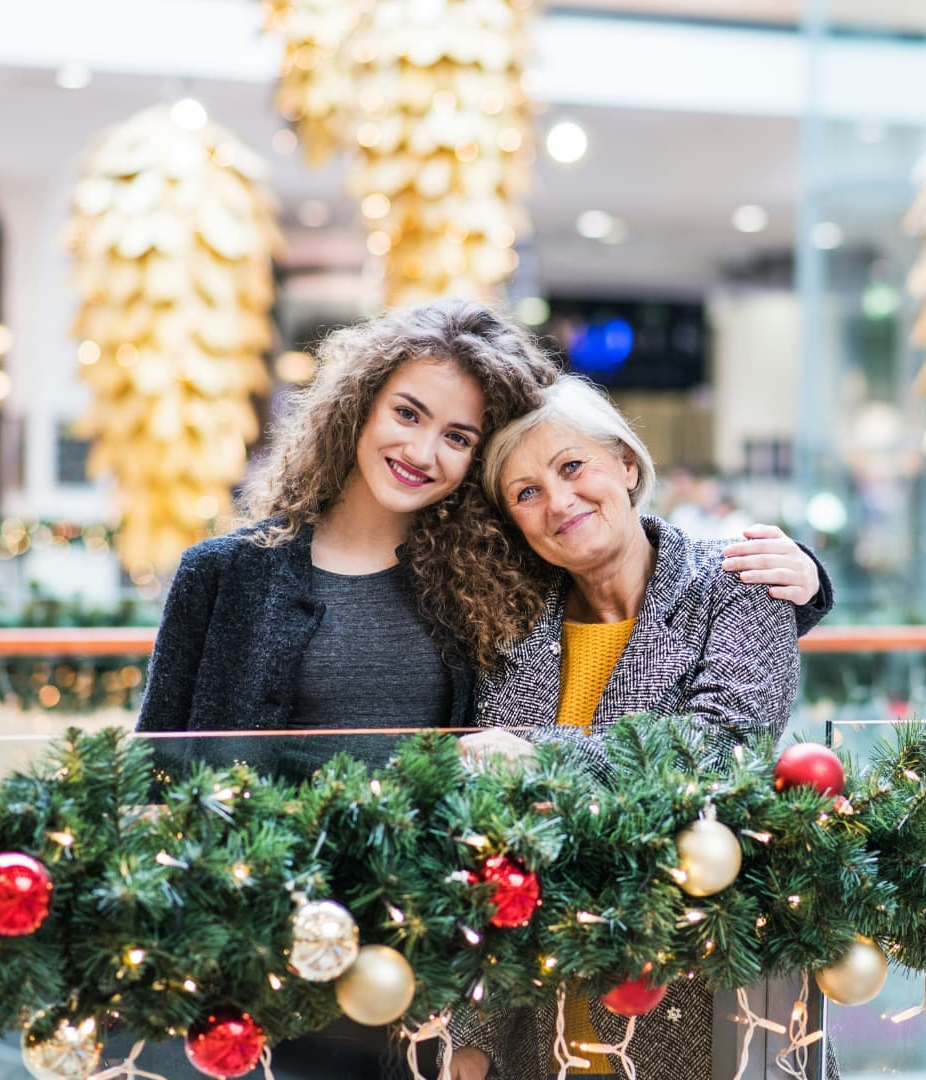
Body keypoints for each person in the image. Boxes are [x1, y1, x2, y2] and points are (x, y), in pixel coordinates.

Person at [135, 300, 829, 1079]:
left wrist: (803, 580)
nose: (422, 449)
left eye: (459, 437)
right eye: (407, 412)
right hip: (258, 939)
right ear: (357, 407)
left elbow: (633, 562)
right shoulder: (225, 574)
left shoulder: (484, 578)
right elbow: (158, 764)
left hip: (423, 951)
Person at [448, 375, 827, 1080]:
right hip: (550, 1026)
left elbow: (722, 751)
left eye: (572, 467)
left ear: (625, 463)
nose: (558, 501)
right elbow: (496, 848)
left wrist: (536, 753)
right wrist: (473, 1037)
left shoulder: (736, 581)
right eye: (525, 492)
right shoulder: (509, 631)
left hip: (711, 1008)